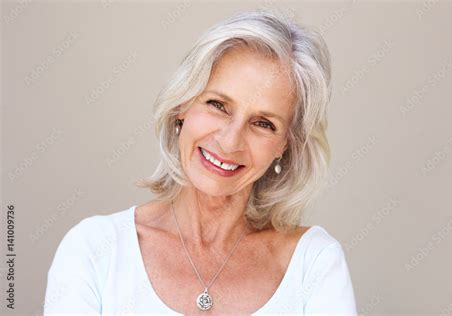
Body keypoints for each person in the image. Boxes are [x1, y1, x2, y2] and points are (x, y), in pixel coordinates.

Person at [44, 9, 357, 315]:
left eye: (263, 123)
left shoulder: (314, 263)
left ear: (284, 145)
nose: (230, 141)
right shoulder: (95, 249)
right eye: (218, 104)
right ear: (183, 103)